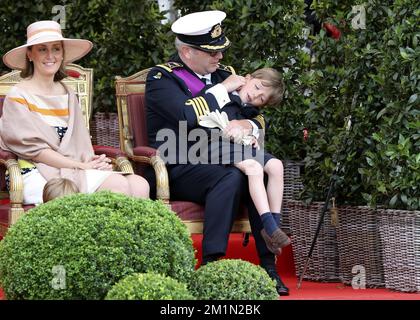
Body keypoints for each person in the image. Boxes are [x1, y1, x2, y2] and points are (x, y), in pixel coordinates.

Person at [145, 11, 289, 295]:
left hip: (223, 155)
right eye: (212, 52)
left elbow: (256, 116)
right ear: (186, 51)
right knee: (233, 177)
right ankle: (212, 263)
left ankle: (269, 266)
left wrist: (246, 125)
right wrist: (222, 90)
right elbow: (186, 115)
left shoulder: (225, 73)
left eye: (221, 50)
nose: (219, 57)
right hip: (181, 161)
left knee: (250, 171)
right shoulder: (163, 77)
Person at [0, 20, 149, 205]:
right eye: (42, 49)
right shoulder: (18, 96)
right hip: (34, 171)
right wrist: (81, 166)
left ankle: (125, 234)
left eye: (56, 49)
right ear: (30, 54)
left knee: (140, 184)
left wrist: (92, 160)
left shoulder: (68, 93)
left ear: (62, 54)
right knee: (118, 185)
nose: (50, 56)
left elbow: (79, 144)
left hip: (74, 166)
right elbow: (37, 152)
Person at [200, 67, 290, 255]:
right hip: (213, 145)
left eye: (261, 98)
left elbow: (256, 124)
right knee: (254, 168)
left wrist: (250, 133)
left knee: (276, 166)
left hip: (238, 146)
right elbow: (202, 107)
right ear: (247, 78)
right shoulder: (221, 91)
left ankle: (274, 226)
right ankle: (269, 225)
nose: (255, 96)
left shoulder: (251, 111)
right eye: (256, 87)